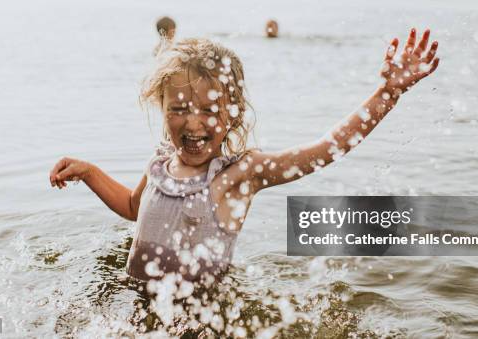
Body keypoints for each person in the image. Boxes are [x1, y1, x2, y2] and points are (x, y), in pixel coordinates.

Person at [49, 29, 439, 284]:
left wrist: (388, 93)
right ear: (160, 105)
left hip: (197, 318)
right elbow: (134, 207)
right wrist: (90, 172)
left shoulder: (239, 174)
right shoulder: (161, 162)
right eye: (178, 108)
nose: (192, 122)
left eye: (208, 109)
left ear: (232, 112)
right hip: (136, 297)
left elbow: (323, 150)